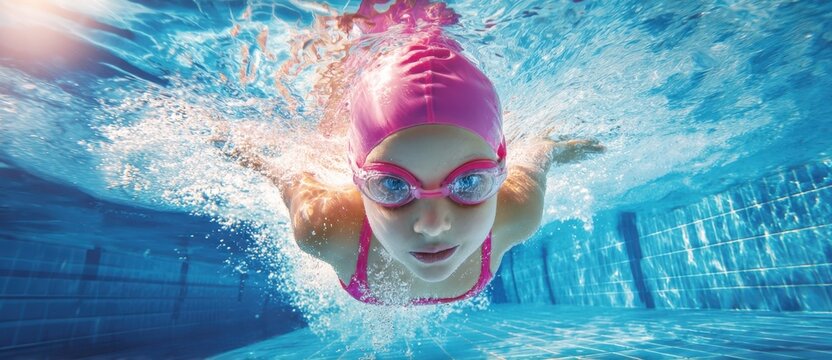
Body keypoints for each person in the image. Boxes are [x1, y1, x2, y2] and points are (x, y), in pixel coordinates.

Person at [217, 12, 603, 306]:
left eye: (469, 182)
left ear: (500, 173)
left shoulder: (517, 210)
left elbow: (537, 155)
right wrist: (253, 155)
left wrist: (552, 146)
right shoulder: (326, 227)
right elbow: (287, 173)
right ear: (357, 177)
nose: (432, 226)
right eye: (392, 184)